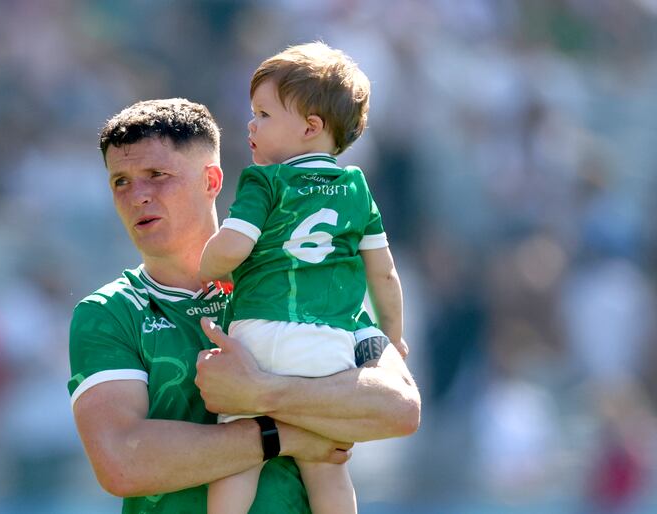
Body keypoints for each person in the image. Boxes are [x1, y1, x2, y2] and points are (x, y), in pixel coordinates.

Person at [68, 97, 420, 514]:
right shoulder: (108, 313)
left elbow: (398, 408)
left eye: (156, 175)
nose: (137, 195)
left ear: (212, 181)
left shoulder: (297, 281)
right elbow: (122, 462)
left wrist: (261, 392)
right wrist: (280, 435)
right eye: (120, 181)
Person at [198, 42, 406, 514]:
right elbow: (386, 274)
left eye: (264, 114)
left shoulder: (265, 181)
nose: (251, 124)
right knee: (328, 466)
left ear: (311, 126)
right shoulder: (357, 188)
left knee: (236, 458)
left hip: (257, 335)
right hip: (326, 348)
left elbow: (231, 248)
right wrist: (392, 337)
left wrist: (205, 263)